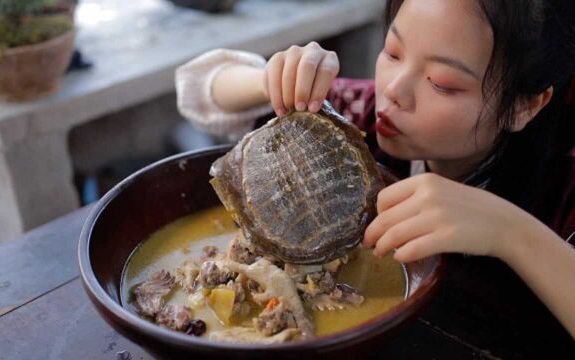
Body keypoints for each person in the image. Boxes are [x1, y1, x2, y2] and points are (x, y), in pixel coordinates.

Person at [175, 0, 575, 341]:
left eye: (442, 83)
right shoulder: (355, 125)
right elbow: (196, 86)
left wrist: (512, 232)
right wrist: (270, 80)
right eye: (393, 52)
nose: (393, 92)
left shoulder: (564, 187)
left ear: (526, 106)